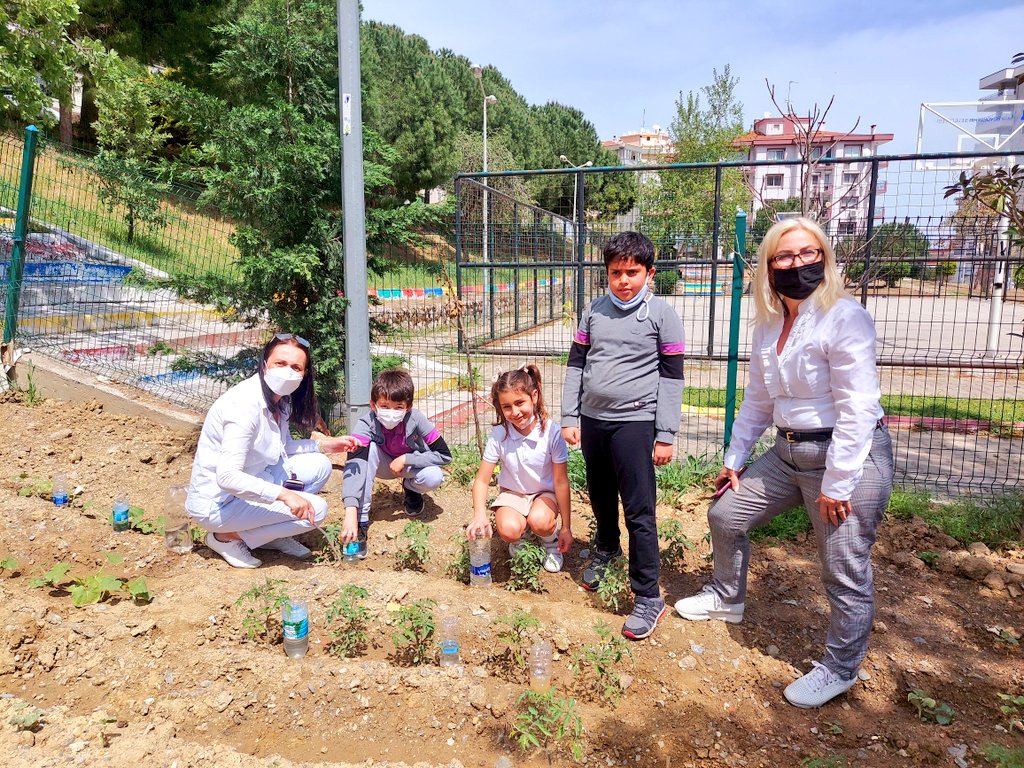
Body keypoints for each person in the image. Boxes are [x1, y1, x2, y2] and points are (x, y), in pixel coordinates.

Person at [673, 216, 894, 709]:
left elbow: (858, 408)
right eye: (785, 257)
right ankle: (727, 598)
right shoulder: (770, 325)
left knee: (842, 566)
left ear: (825, 257)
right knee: (726, 513)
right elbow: (756, 401)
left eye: (808, 253)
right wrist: (734, 459)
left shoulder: (845, 317)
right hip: (787, 452)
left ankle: (840, 668)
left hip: (846, 457)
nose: (797, 264)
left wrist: (837, 483)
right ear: (769, 267)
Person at [561, 231, 686, 640]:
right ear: (607, 275)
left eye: (632, 272)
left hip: (635, 423)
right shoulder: (594, 311)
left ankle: (648, 595)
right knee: (598, 494)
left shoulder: (662, 316)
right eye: (616, 273)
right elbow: (576, 365)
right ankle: (607, 548)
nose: (624, 281)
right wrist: (569, 415)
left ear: (650, 273)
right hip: (593, 420)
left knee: (639, 510)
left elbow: (671, 378)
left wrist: (665, 433)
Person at [186, 333, 356, 569]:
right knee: (316, 510)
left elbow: (280, 447)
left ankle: (268, 534)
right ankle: (227, 537)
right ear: (265, 364)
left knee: (319, 465)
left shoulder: (279, 400)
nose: (288, 371)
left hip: (253, 480)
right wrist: (284, 495)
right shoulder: (243, 407)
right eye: (280, 363)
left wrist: (323, 445)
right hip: (219, 504)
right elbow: (227, 477)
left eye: (296, 367)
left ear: (304, 374)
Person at [466, 365, 572, 572]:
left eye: (519, 403)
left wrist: (567, 527)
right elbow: (481, 480)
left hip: (544, 494)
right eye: (507, 407)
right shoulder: (499, 434)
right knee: (508, 529)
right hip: (513, 494)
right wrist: (479, 514)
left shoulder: (552, 432)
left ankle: (550, 541)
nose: (515, 412)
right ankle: (520, 540)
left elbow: (560, 482)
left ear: (534, 396)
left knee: (540, 520)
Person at [340, 368, 451, 557]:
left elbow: (444, 455)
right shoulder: (366, 423)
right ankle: (361, 519)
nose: (391, 412)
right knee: (369, 450)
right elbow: (355, 465)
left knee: (434, 476)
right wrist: (350, 509)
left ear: (408, 407)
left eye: (398, 407)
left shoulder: (416, 419)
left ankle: (412, 489)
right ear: (373, 405)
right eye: (384, 406)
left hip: (408, 466)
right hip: (382, 465)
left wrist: (408, 458)